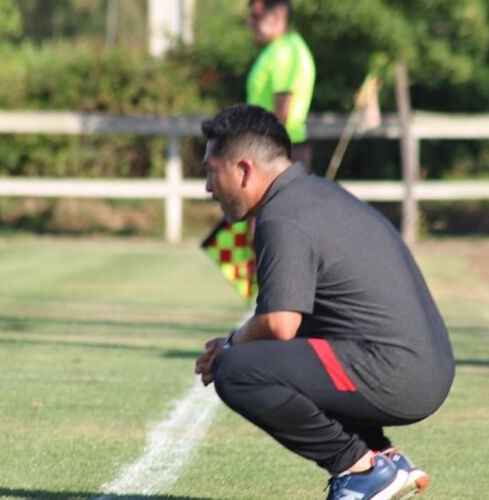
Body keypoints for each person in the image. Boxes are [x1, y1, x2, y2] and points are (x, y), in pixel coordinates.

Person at [195, 105, 455, 500]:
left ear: (244, 170)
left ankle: (362, 470)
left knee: (237, 370)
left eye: (212, 170)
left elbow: (279, 324)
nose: (208, 186)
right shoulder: (318, 193)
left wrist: (229, 345)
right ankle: (382, 456)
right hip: (425, 367)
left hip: (398, 375)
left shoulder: (282, 214)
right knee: (298, 339)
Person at [246, 0, 315, 171]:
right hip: (280, 145)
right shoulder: (286, 47)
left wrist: (266, 156)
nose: (250, 23)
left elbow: (282, 109)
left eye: (256, 16)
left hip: (279, 148)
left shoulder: (284, 52)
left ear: (277, 17)